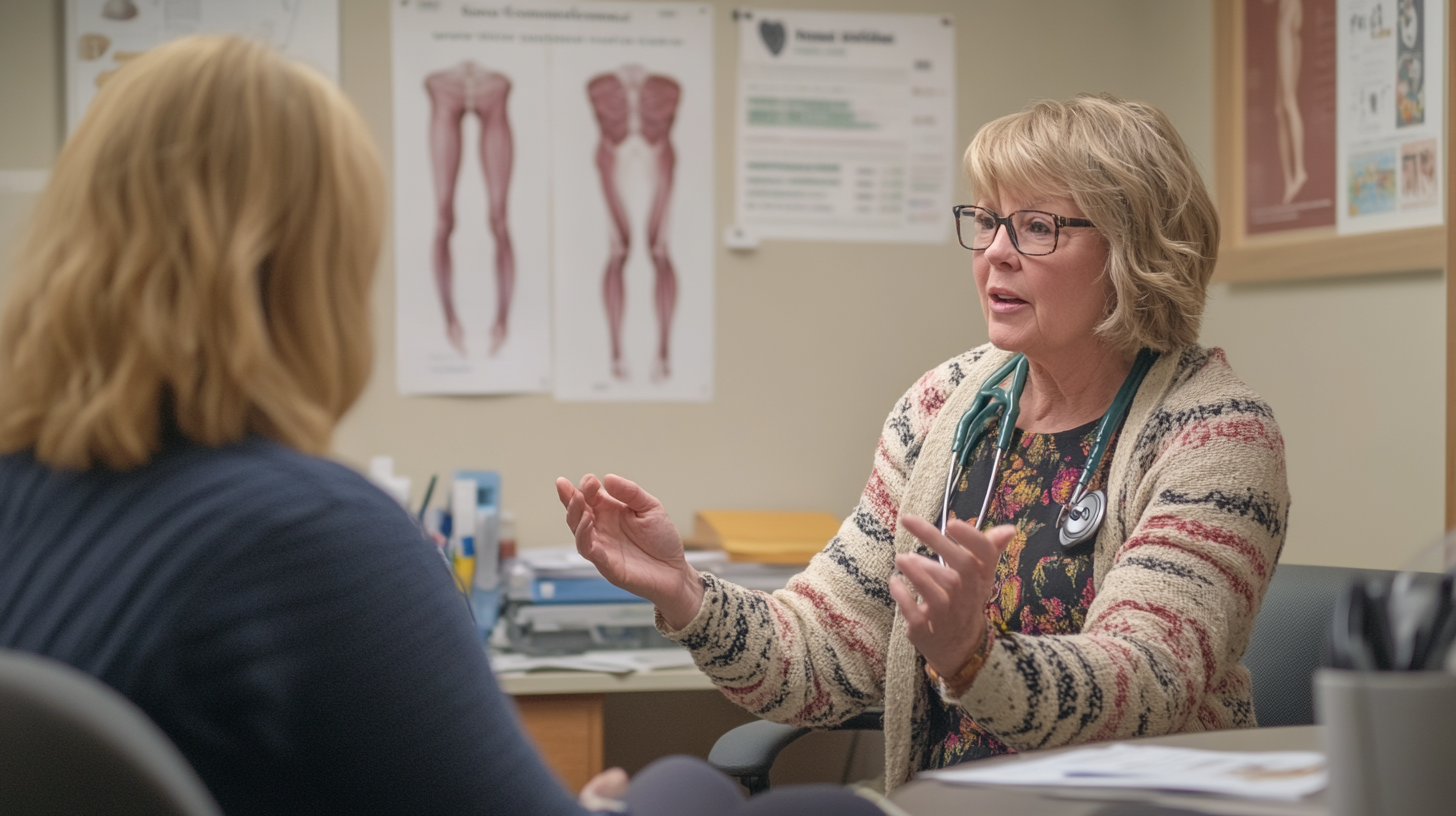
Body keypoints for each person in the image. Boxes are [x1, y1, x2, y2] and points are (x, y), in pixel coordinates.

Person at [0, 36, 882, 816]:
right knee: (723, 793)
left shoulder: (19, 490)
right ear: (316, 266)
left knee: (687, 788)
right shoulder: (308, 535)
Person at [559, 94, 1290, 791]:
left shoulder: (1217, 435)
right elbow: (827, 648)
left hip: (1127, 804)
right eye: (987, 220)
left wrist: (975, 661)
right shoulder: (948, 404)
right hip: (939, 802)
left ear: (1135, 249)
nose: (996, 253)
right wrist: (685, 595)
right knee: (681, 786)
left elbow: (1145, 683)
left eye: (1037, 227)